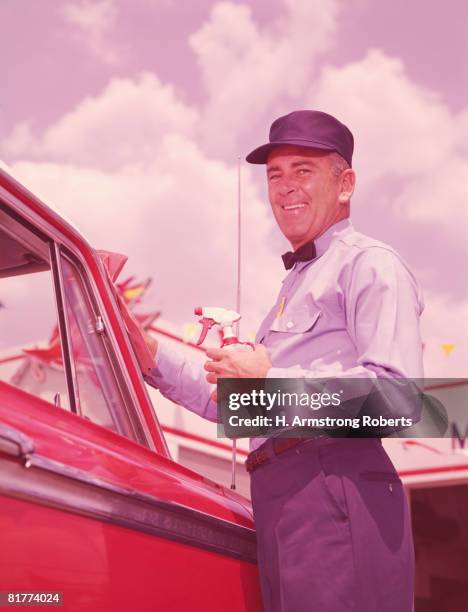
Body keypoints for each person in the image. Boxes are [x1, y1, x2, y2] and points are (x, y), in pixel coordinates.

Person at [143, 110, 423, 611]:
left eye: (303, 170)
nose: (285, 186)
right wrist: (146, 351)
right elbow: (237, 405)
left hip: (334, 485)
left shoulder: (370, 264)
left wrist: (271, 377)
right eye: (275, 174)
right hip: (279, 495)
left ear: (346, 185)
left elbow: (400, 400)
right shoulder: (294, 284)